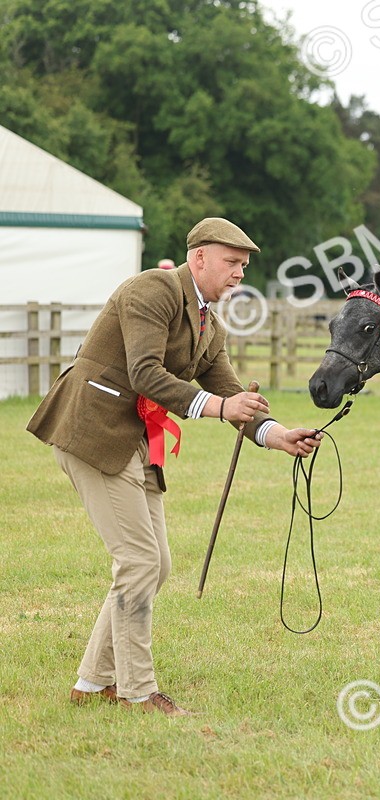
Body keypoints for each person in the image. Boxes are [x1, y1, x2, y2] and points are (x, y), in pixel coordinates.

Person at [27, 217, 323, 716]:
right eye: (232, 263)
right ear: (199, 257)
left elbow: (233, 395)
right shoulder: (153, 289)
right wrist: (217, 407)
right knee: (140, 562)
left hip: (134, 443)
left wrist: (278, 435)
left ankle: (92, 681)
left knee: (153, 564)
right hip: (92, 432)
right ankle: (137, 691)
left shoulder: (210, 325)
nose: (239, 275)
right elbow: (145, 372)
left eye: (245, 267)